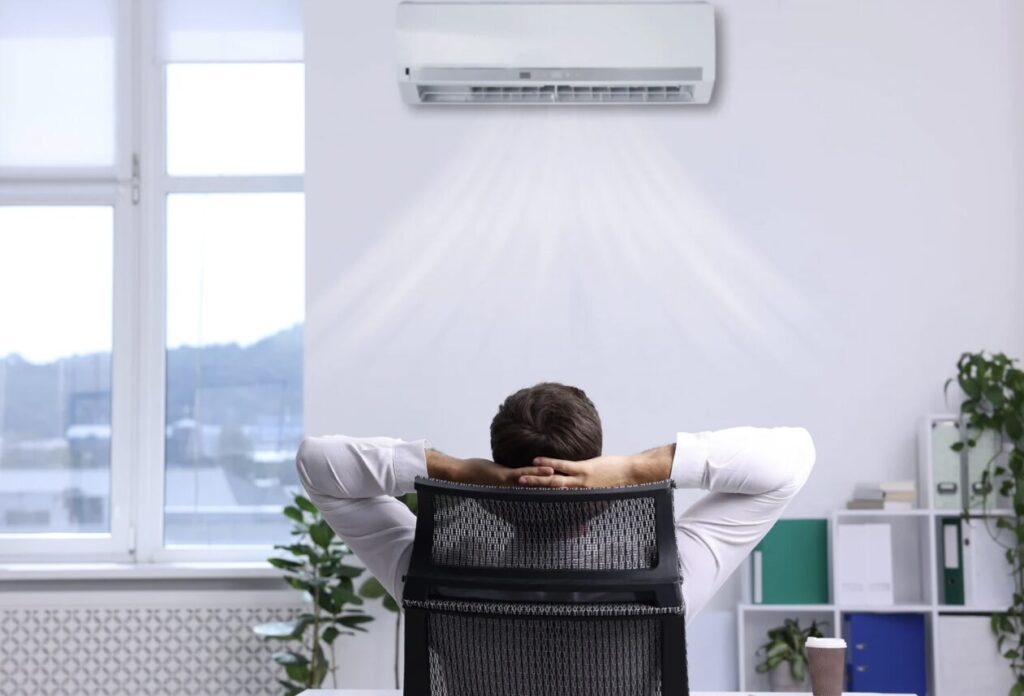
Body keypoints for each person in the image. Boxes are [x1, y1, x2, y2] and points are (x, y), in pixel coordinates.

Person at [295, 381, 815, 624]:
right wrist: (635, 469)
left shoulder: (433, 570)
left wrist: (458, 471)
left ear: (497, 483)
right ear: (598, 476)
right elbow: (792, 460)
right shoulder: (663, 574)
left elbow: (317, 463)